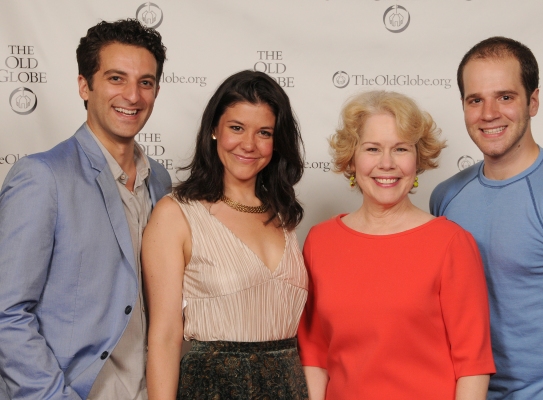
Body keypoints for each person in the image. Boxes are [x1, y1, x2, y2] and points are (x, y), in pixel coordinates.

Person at [0, 19, 171, 400]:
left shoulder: (160, 181)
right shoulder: (42, 177)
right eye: (116, 78)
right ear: (84, 85)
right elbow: (7, 313)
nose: (132, 95)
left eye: (145, 82)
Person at [430, 36, 543, 399]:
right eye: (476, 100)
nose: (489, 113)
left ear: (532, 101)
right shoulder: (446, 197)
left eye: (505, 97)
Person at [297, 90, 495, 400]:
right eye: (373, 148)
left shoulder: (451, 244)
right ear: (352, 157)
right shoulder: (320, 242)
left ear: (417, 160)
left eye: (400, 149)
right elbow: (314, 355)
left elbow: (473, 364)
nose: (386, 163)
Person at [143, 70, 308, 400]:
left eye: (264, 132)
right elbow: (163, 337)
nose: (249, 144)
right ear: (214, 130)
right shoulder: (176, 213)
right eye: (236, 128)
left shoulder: (285, 216)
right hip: (212, 388)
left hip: (289, 387)